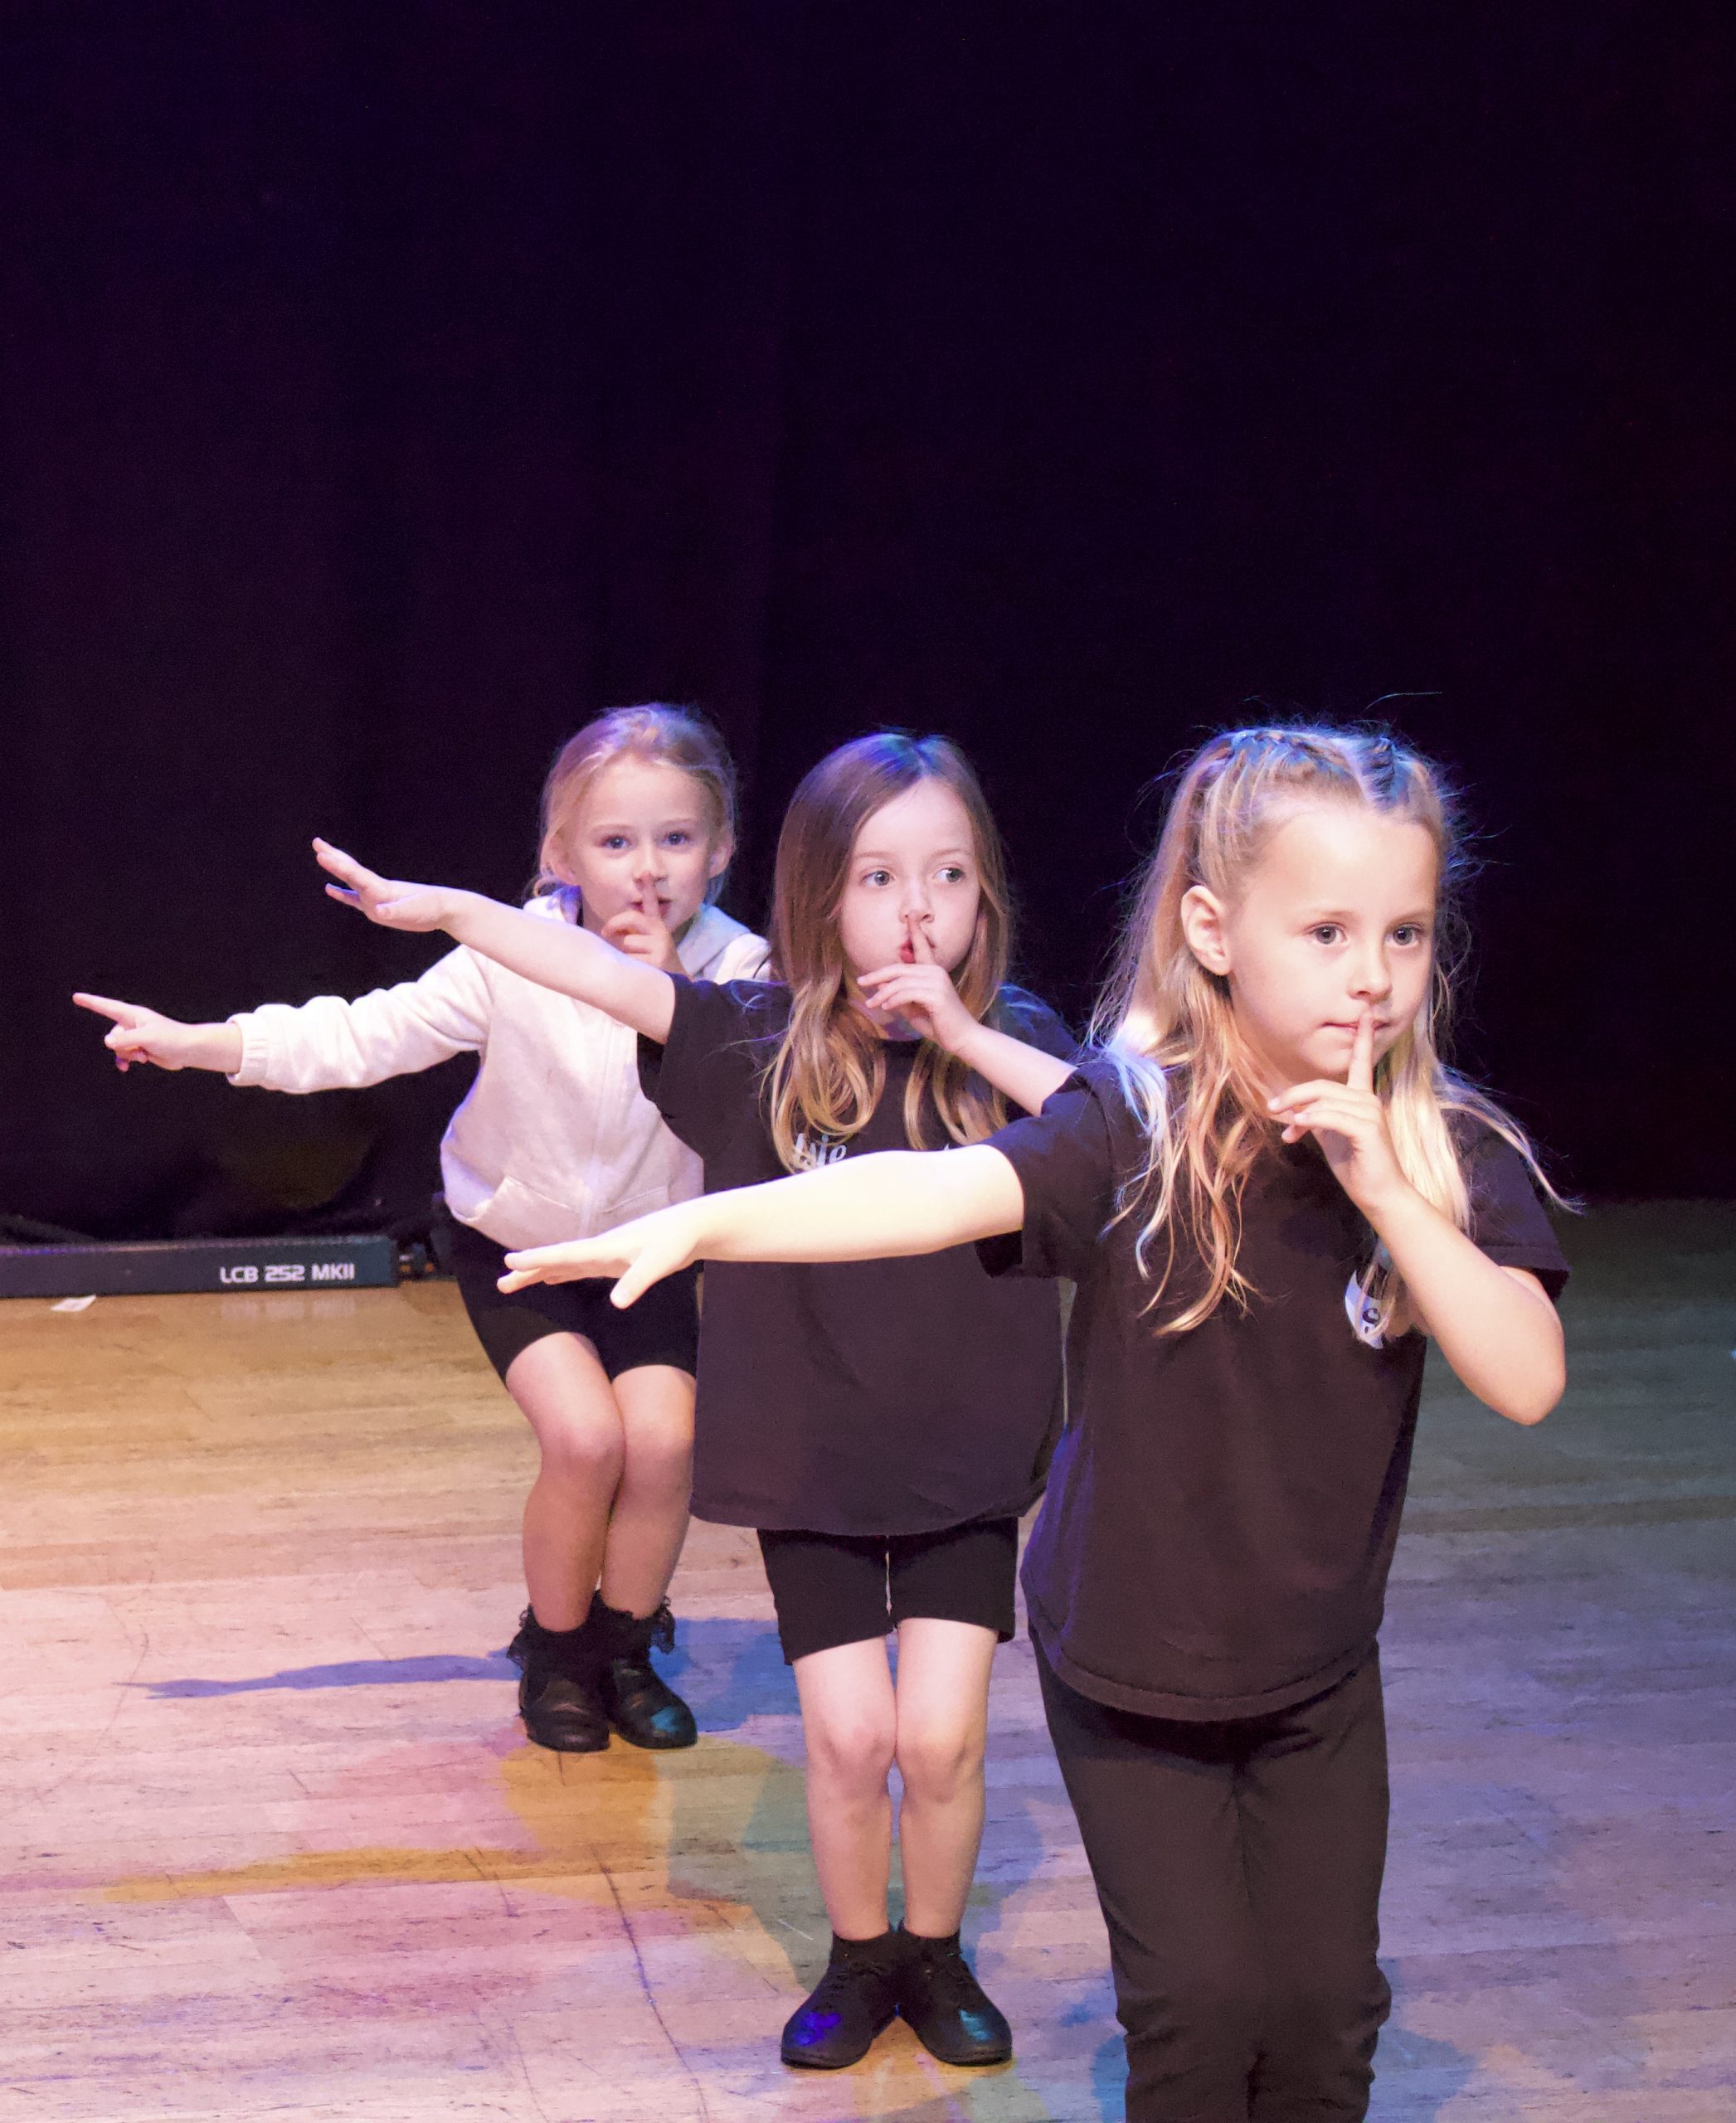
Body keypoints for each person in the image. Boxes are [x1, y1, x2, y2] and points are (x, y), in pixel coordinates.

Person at [489, 725, 1571, 2121]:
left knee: (1320, 2021)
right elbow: (924, 1193)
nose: (1371, 975)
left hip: (1314, 1676)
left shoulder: (1443, 1148)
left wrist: (1387, 1192)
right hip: (1127, 1665)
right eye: (1326, 932)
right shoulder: (1129, 1126)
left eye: (1404, 934)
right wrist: (702, 1223)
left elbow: (1525, 1376)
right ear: (1212, 931)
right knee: (1194, 2016)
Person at [309, 731, 1077, 2074]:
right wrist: (455, 913)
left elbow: (1123, 1129)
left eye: (947, 876)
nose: (915, 911)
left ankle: (936, 1951)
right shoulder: (756, 1043)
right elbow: (595, 972)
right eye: (879, 877)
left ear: (983, 894)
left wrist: (962, 1033)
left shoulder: (1013, 1046)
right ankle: (859, 1956)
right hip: (815, 1464)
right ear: (820, 894)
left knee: (942, 1739)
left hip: (963, 1461)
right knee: (848, 1737)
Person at [75, 706, 770, 1757]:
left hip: (646, 1251)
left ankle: (627, 1650)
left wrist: (669, 988)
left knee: (664, 1442)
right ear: (561, 855)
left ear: (719, 849)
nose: (646, 869)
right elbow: (361, 1036)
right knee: (586, 1438)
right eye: (615, 841)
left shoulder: (740, 969)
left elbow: (751, 1101)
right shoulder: (508, 955)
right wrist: (199, 1044)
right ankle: (558, 1650)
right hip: (517, 1245)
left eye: (675, 838)